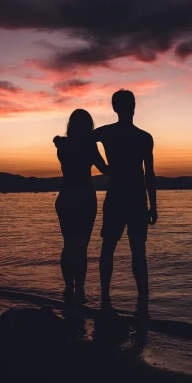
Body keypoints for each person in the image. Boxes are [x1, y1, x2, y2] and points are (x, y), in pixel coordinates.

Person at [93, 90, 157, 310]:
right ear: (133, 106)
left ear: (114, 108)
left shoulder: (110, 133)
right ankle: (141, 300)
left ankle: (108, 298)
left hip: (123, 194)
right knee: (133, 250)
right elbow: (149, 174)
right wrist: (102, 166)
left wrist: (102, 166)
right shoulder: (143, 137)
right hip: (133, 196)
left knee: (113, 248)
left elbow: (85, 139)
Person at [53, 109, 110, 304]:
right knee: (81, 247)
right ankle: (80, 291)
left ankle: (70, 288)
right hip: (84, 197)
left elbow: (62, 144)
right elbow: (104, 169)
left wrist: (60, 139)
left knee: (69, 245)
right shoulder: (89, 146)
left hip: (66, 196)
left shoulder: (63, 145)